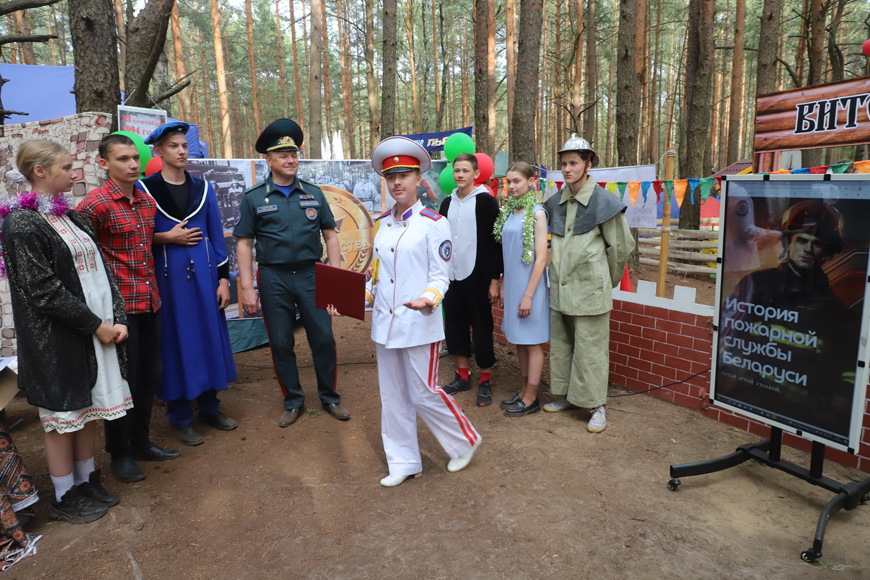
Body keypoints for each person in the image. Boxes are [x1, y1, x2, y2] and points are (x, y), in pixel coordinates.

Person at [343, 136, 480, 487]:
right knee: (392, 396)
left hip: (419, 322)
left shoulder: (434, 222)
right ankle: (403, 462)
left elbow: (441, 275)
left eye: (404, 175)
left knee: (423, 392)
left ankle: (464, 441)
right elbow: (377, 276)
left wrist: (429, 299)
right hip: (385, 325)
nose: (397, 183)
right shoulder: (381, 223)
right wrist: (352, 297)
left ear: (419, 179)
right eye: (391, 177)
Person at [2, 139, 127, 522]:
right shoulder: (21, 224)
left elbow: (101, 271)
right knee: (62, 418)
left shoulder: (72, 216)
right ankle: (64, 494)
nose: (75, 173)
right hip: (57, 340)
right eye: (67, 167)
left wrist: (116, 317)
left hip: (93, 332)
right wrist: (95, 325)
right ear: (40, 172)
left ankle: (86, 480)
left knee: (86, 410)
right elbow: (43, 291)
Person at [233, 118, 350, 427]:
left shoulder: (313, 193)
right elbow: (243, 243)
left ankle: (329, 397)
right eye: (282, 155)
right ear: (269, 161)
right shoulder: (254, 197)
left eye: (294, 154)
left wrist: (336, 280)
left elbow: (331, 236)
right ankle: (294, 401)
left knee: (323, 338)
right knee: (282, 342)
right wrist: (247, 288)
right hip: (273, 278)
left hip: (312, 275)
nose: (290, 160)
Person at [78, 134, 181, 483]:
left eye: (135, 157)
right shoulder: (94, 205)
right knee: (123, 381)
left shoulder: (146, 201)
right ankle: (119, 454)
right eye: (123, 159)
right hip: (119, 311)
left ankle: (140, 443)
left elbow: (144, 243)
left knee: (150, 377)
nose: (133, 164)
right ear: (104, 164)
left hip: (150, 301)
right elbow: (84, 260)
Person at [139, 121, 238, 446]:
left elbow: (217, 237)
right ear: (158, 150)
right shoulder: (144, 189)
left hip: (205, 279)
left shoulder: (203, 188)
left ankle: (210, 407)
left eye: (184, 145)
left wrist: (223, 280)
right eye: (173, 146)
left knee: (208, 336)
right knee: (174, 341)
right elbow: (136, 237)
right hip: (167, 281)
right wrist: (165, 237)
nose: (181, 151)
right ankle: (180, 416)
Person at [719, 199, 854, 435]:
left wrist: (842, 397)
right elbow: (727, 334)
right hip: (754, 395)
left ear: (827, 252)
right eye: (801, 240)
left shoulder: (835, 309)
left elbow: (847, 364)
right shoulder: (756, 285)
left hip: (805, 415)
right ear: (787, 242)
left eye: (817, 243)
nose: (808, 249)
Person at [542, 134, 634, 433]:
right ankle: (568, 397)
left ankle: (596, 405)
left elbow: (621, 247)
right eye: (563, 164)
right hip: (560, 290)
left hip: (590, 291)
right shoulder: (555, 202)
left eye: (573, 163)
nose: (567, 169)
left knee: (590, 350)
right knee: (563, 345)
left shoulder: (605, 202)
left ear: (588, 164)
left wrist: (604, 281)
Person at [439, 153, 503, 407]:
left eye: (465, 170)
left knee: (481, 326)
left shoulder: (486, 202)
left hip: (478, 274)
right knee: (455, 324)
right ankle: (462, 375)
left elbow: (495, 243)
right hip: (451, 275)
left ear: (476, 174)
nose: (460, 175)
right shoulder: (446, 203)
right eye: (457, 170)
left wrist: (494, 279)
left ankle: (485, 379)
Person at [494, 162, 550, 417]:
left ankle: (532, 397)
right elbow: (507, 253)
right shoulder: (509, 212)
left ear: (531, 182)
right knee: (519, 341)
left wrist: (528, 295)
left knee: (532, 343)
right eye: (509, 181)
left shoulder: (537, 214)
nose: (512, 186)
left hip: (530, 288)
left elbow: (541, 258)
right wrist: (504, 282)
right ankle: (523, 389)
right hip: (513, 284)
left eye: (517, 181)